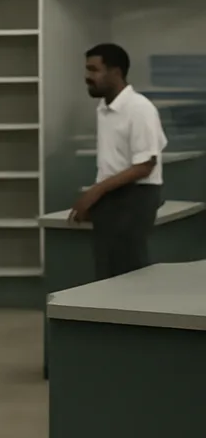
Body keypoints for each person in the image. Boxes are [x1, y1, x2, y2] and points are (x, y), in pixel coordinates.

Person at [70, 43, 166, 280]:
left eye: (94, 70)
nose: (87, 77)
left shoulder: (139, 108)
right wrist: (99, 200)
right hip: (113, 196)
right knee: (106, 271)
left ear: (115, 72)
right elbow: (111, 162)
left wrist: (96, 192)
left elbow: (145, 165)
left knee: (129, 273)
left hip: (136, 196)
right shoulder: (104, 108)